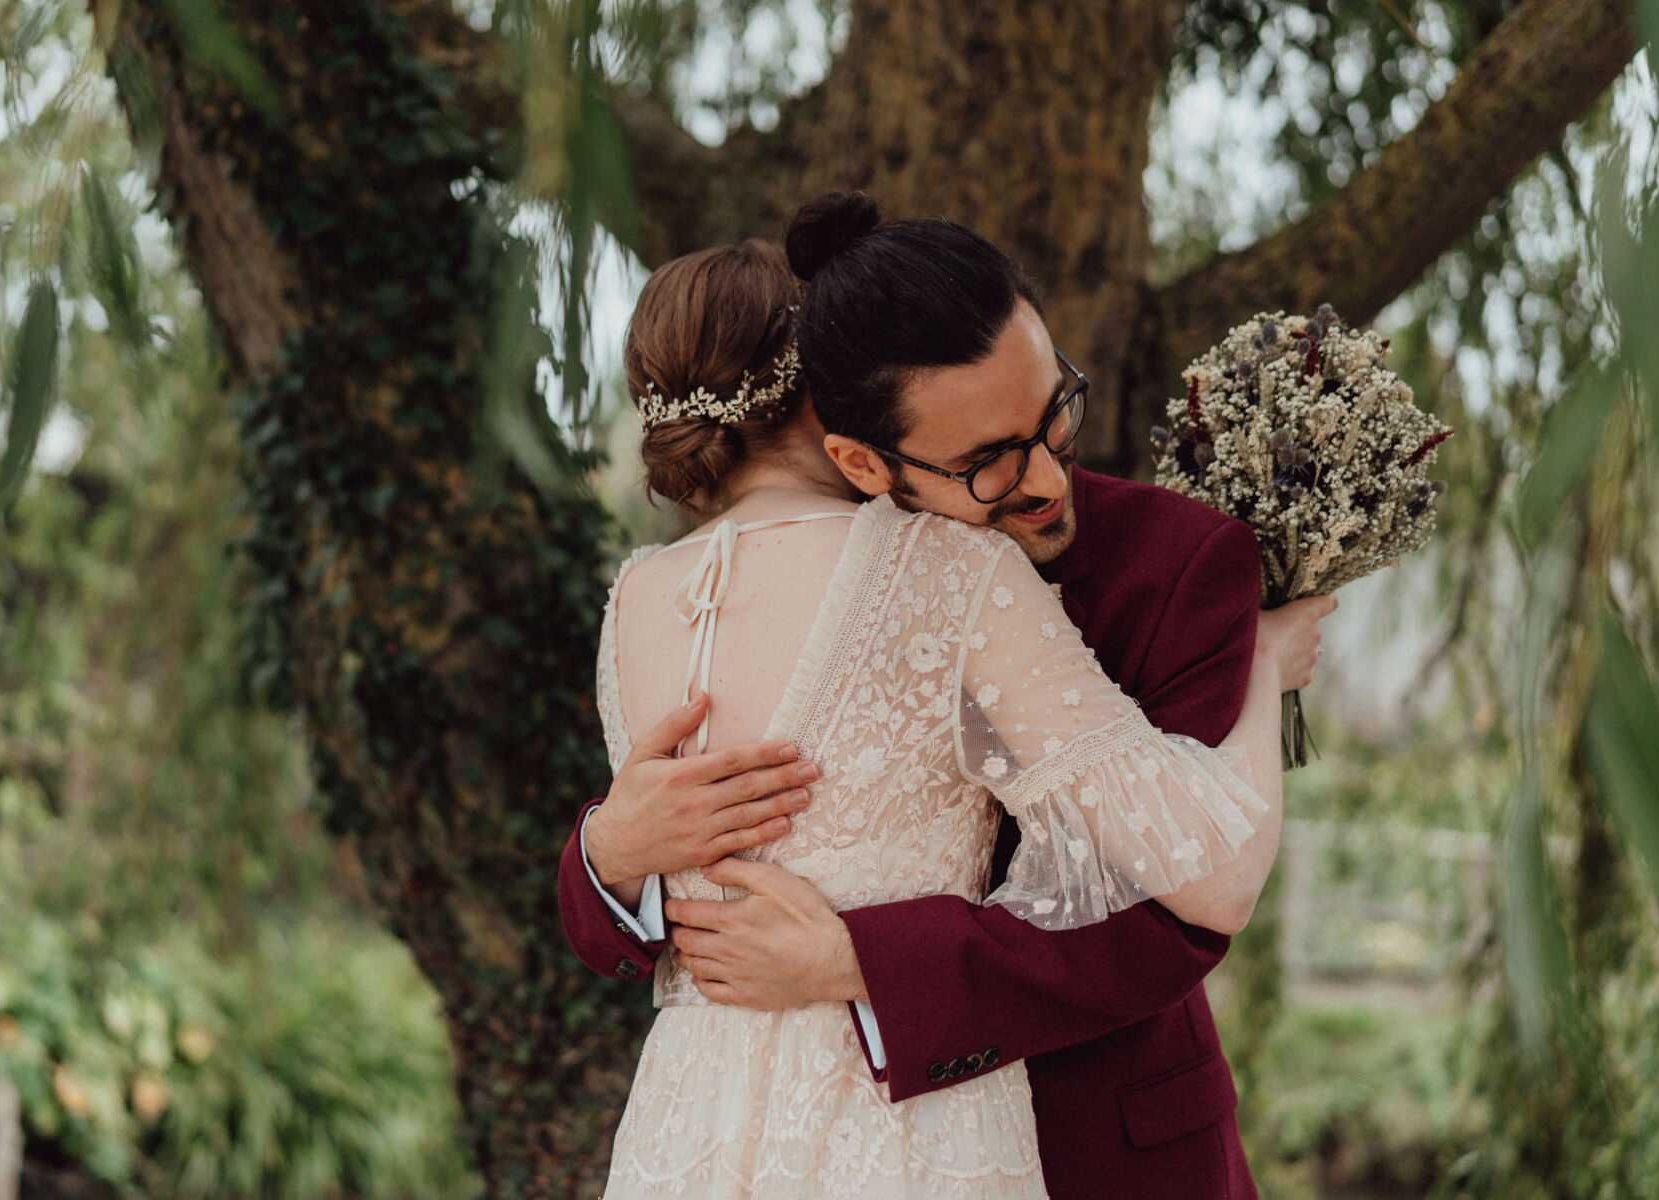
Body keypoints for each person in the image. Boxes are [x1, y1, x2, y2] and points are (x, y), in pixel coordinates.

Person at [568, 200, 1332, 1198]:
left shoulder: (1179, 562)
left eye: (1057, 409)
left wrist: (867, 963)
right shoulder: (931, 565)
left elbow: (1167, 922)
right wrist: (608, 853)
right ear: (855, 442)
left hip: (1088, 1142)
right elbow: (1213, 860)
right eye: (985, 463)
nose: (1048, 477)